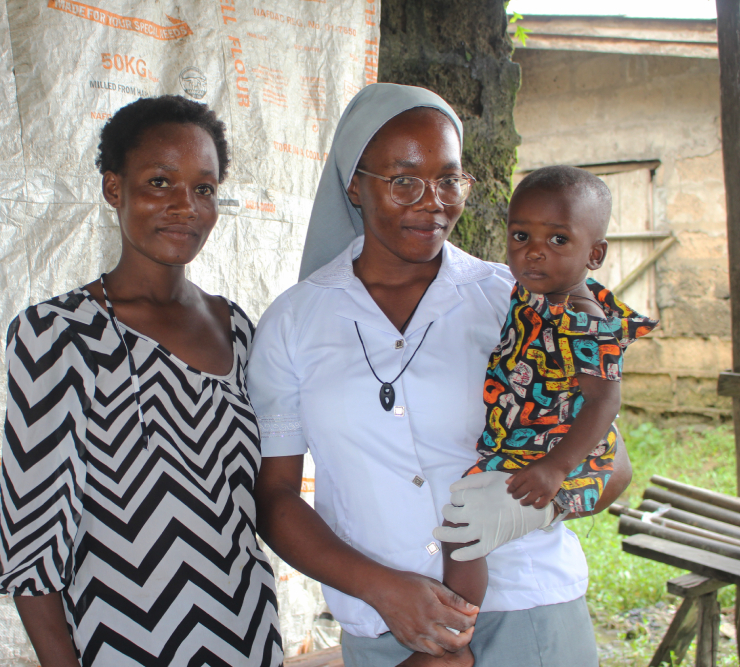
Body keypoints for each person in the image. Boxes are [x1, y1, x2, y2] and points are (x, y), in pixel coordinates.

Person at [247, 83, 631, 667]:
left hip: (528, 608)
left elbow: (614, 467)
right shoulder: (295, 323)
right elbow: (275, 498)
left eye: (449, 179)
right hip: (385, 633)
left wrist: (529, 508)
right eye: (403, 180)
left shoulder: (516, 300)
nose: (432, 201)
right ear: (355, 184)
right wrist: (385, 589)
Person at [0, 95, 282, 667]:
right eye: (159, 182)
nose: (186, 206)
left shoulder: (238, 328)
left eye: (204, 188)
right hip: (128, 645)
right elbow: (32, 545)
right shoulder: (59, 334)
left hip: (249, 634)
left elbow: (260, 499)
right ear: (113, 189)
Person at [433, 166, 658, 664]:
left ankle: (456, 630)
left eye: (558, 238)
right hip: (526, 439)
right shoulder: (534, 292)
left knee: (461, 531)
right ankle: (459, 622)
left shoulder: (581, 317)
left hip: (555, 450)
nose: (534, 250)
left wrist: (556, 468)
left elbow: (605, 401)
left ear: (594, 254)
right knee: (462, 526)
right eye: (521, 235)